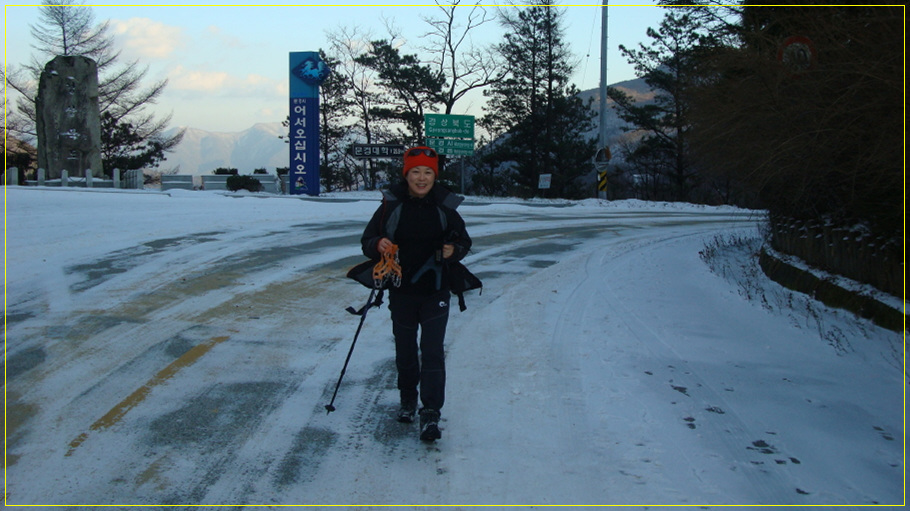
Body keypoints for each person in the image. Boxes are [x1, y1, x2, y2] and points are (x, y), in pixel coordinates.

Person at [359, 146, 473, 442]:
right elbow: (368, 240)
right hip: (402, 289)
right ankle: (408, 398)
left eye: (427, 172)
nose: (421, 178)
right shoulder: (391, 206)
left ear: (434, 176)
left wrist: (453, 250)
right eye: (415, 172)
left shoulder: (445, 206)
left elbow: (464, 241)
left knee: (433, 351)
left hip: (436, 289)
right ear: (406, 174)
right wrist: (378, 245)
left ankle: (431, 411)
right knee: (406, 349)